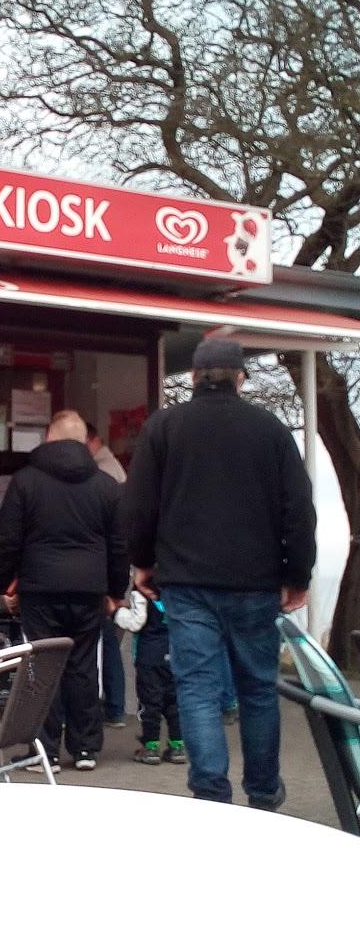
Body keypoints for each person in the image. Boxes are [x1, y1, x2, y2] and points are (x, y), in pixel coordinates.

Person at [125, 336, 316, 808]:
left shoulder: (164, 427)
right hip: (256, 583)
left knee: (197, 687)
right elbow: (299, 510)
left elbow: (138, 507)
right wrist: (298, 574)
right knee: (257, 689)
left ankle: (210, 793)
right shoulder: (269, 429)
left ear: (193, 378)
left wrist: (144, 563)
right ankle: (265, 792)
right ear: (240, 378)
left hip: (187, 583)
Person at [0, 408, 128, 771]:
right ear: (86, 442)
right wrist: (116, 592)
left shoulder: (25, 482)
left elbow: (7, 539)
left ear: (48, 438)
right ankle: (85, 749)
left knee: (42, 667)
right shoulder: (105, 486)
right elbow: (119, 545)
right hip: (88, 590)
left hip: (39, 589)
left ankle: (44, 750)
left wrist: (4, 583)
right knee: (83, 666)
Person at [85, 418, 128, 727]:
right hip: (106, 570)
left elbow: (111, 532)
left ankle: (112, 707)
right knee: (108, 640)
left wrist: (115, 588)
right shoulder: (111, 469)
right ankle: (113, 706)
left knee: (106, 641)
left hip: (100, 571)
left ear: (91, 441)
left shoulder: (104, 473)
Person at [115, 589, 185, 765]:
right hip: (174, 652)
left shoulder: (141, 595)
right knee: (174, 701)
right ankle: (177, 745)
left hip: (149, 656)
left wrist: (117, 612)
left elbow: (136, 623)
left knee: (150, 700)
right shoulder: (176, 592)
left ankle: (151, 745)